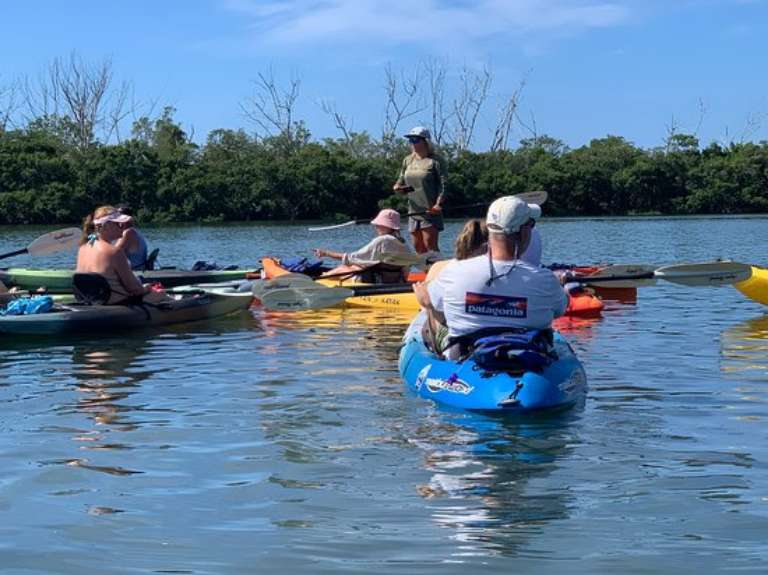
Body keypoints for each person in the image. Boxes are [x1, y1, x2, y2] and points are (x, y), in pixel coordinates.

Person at [414, 196, 568, 357]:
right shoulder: (545, 279)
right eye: (531, 225)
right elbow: (560, 309)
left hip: (466, 359)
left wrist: (423, 296)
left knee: (431, 311)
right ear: (523, 232)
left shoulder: (454, 271)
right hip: (529, 359)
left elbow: (429, 300)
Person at [76, 206, 152, 304]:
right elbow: (136, 289)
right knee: (161, 296)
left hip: (90, 301)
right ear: (107, 226)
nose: (123, 227)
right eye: (119, 224)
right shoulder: (115, 252)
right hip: (117, 303)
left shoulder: (82, 248)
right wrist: (147, 288)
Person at [313, 208, 412, 283]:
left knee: (342, 269)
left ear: (387, 226)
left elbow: (351, 258)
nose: (376, 226)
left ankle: (317, 281)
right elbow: (406, 269)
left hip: (377, 281)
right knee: (354, 267)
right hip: (395, 280)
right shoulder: (403, 243)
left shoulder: (381, 241)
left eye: (379, 224)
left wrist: (326, 253)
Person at [393, 126, 446, 255]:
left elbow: (443, 185)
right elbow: (400, 179)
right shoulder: (407, 160)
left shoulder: (436, 161)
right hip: (413, 211)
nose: (412, 143)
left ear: (425, 141)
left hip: (430, 211)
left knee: (430, 247)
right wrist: (398, 187)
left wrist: (438, 204)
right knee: (418, 247)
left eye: (415, 140)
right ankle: (425, 268)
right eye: (410, 140)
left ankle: (437, 267)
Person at [113, 205, 150, 270]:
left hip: (135, 271)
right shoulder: (133, 231)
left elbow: (113, 253)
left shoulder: (128, 233)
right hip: (138, 268)